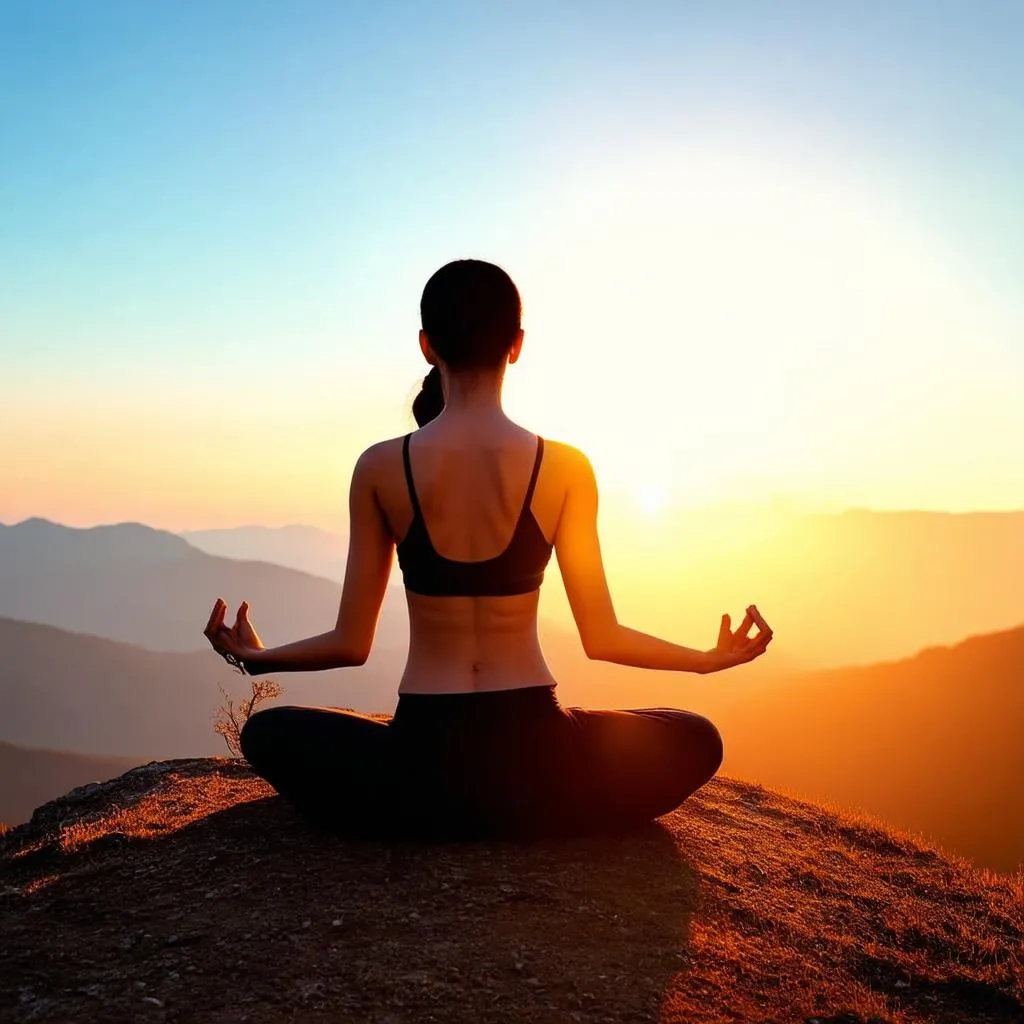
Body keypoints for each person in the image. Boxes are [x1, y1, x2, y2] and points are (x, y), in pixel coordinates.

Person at [204, 259, 773, 840]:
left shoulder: (380, 467)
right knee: (695, 736)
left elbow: (352, 644)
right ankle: (547, 810)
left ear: (427, 346)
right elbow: (602, 638)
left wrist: (260, 658)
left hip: (421, 761)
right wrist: (704, 659)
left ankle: (421, 815)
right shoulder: (567, 467)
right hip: (539, 756)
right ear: (517, 345)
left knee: (268, 734)